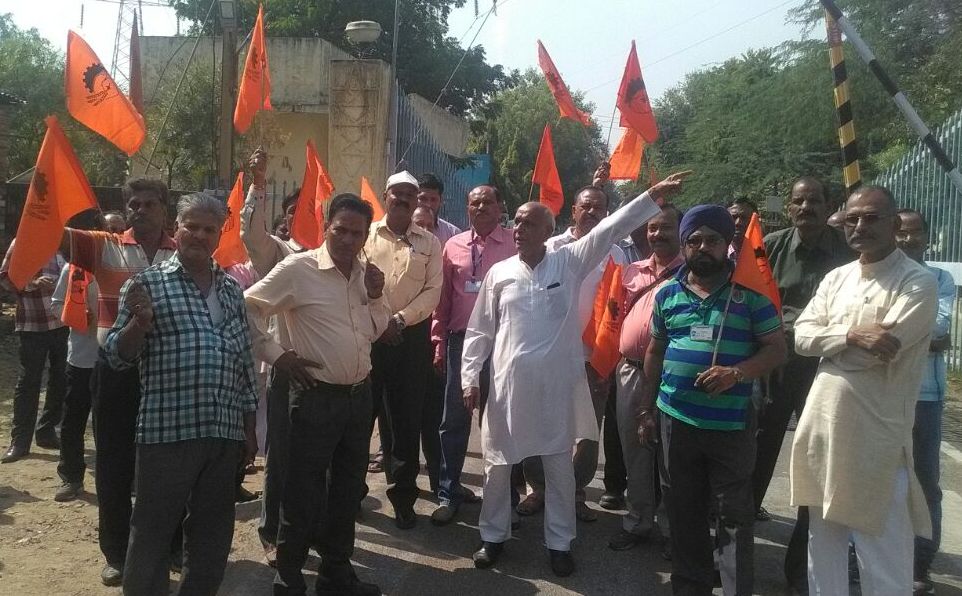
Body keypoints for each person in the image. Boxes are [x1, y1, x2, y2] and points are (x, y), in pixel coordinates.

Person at [462, 173, 679, 577]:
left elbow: (612, 227)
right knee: (497, 465)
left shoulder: (570, 260)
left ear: (549, 231)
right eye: (518, 222)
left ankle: (559, 543)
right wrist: (470, 377)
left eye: (530, 223)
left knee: (559, 469)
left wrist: (651, 197)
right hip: (508, 389)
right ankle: (492, 536)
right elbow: (480, 330)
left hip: (556, 390)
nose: (520, 228)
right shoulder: (500, 273)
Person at [104, 194, 258, 596]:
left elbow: (243, 360)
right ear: (177, 226)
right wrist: (140, 323)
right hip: (167, 432)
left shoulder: (230, 290)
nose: (199, 235)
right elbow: (118, 356)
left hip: (222, 433)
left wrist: (247, 426)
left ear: (219, 235)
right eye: (192, 225)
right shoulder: (147, 285)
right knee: (153, 529)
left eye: (210, 229)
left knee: (212, 534)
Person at [791, 186, 937, 595]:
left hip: (877, 436)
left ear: (894, 225)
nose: (859, 226)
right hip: (823, 428)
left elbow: (873, 356)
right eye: (852, 218)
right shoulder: (837, 277)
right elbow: (801, 337)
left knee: (883, 551)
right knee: (824, 544)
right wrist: (852, 335)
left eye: (871, 218)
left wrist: (834, 342)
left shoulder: (916, 282)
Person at [637, 205, 787, 595]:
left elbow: (776, 349)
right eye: (694, 240)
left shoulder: (750, 298)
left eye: (712, 240)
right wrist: (647, 410)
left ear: (726, 245)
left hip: (731, 427)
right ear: (685, 246)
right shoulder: (668, 295)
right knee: (683, 514)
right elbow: (654, 352)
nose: (703, 247)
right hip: (675, 422)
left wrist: (736, 373)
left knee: (733, 518)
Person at [245, 193, 388, 596]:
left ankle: (335, 577)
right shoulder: (299, 268)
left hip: (358, 399)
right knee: (301, 492)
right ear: (326, 226)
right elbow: (248, 307)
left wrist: (377, 295)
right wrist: (277, 355)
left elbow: (375, 330)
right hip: (314, 398)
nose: (347, 239)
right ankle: (288, 580)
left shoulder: (365, 273)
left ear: (365, 236)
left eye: (356, 232)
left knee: (346, 492)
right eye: (339, 229)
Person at [59, 177, 179, 586]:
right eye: (134, 204)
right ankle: (116, 552)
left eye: (149, 204)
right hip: (115, 372)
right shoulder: (103, 245)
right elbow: (49, 237)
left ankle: (171, 544)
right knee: (113, 464)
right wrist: (49, 190)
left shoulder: (183, 252)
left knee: (167, 465)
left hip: (167, 374)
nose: (140, 210)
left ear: (166, 209)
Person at [753, 176, 855, 591]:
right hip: (776, 363)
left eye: (815, 200)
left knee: (817, 462)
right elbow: (750, 298)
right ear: (789, 208)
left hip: (829, 367)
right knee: (757, 450)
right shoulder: (770, 247)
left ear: (829, 204)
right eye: (799, 201)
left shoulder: (849, 252)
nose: (806, 207)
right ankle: (734, 549)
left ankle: (802, 569)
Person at [520, 178, 627, 522]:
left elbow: (618, 308)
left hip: (593, 358)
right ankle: (539, 488)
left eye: (600, 208)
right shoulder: (551, 247)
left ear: (608, 214)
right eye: (587, 206)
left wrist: (609, 360)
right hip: (550, 353)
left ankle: (576, 492)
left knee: (586, 429)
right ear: (574, 211)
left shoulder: (617, 252)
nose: (593, 212)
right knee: (540, 422)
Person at [430, 185, 515, 526]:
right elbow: (443, 300)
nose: (481, 207)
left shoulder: (513, 244)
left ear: (499, 207)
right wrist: (438, 339)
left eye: (488, 202)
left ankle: (503, 498)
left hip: (503, 345)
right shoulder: (452, 245)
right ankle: (449, 492)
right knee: (454, 420)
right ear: (467, 208)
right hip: (460, 343)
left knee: (500, 424)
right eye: (474, 202)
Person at [364, 171, 443, 529]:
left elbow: (432, 292)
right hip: (367, 337)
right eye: (397, 193)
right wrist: (382, 323)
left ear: (417, 201)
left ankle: (403, 498)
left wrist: (399, 320)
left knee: (405, 423)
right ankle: (349, 493)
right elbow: (353, 285)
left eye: (411, 195)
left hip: (410, 339)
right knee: (359, 419)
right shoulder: (364, 236)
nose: (404, 199)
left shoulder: (429, 242)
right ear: (385, 195)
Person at [607, 203, 684, 551]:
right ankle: (638, 521)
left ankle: (672, 530)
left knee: (671, 456)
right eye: (652, 228)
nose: (657, 234)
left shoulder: (691, 273)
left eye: (665, 227)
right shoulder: (630, 271)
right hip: (630, 371)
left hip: (672, 377)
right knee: (634, 450)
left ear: (681, 230)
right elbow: (613, 318)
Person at [239, 149, 300, 564]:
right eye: (297, 210)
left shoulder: (343, 257)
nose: (306, 215)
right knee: (280, 453)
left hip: (328, 378)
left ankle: (309, 528)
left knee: (313, 458)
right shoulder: (281, 253)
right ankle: (272, 531)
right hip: (285, 367)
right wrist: (258, 184)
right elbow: (252, 235)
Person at [895, 208, 953, 596]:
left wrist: (883, 336)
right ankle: (861, 555)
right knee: (875, 476)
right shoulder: (879, 274)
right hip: (880, 394)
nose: (907, 240)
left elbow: (940, 331)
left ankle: (920, 563)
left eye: (915, 234)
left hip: (925, 397)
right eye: (900, 233)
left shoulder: (940, 279)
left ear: (927, 239)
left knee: (926, 482)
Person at [49, 210, 104, 501]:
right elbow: (57, 305)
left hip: (115, 359)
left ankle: (120, 477)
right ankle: (71, 477)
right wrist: (77, 315)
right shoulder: (72, 270)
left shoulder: (121, 267)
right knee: (73, 421)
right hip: (81, 359)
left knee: (112, 423)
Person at [0, 239, 68, 463]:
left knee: (60, 378)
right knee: (29, 380)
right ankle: (20, 441)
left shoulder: (64, 241)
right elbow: (6, 278)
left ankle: (47, 430)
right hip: (32, 323)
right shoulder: (22, 243)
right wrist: (33, 283)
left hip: (63, 322)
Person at [418, 172, 461, 245]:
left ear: (441, 201)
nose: (428, 205)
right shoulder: (402, 229)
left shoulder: (453, 234)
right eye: (423, 198)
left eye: (433, 199)